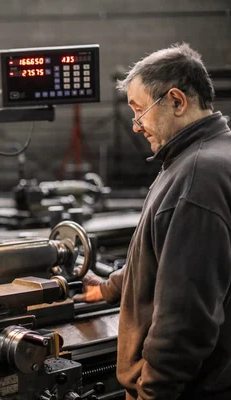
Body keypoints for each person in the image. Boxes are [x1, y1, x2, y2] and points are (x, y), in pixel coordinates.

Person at [73, 43, 231, 400]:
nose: (136, 125)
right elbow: (166, 261)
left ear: (176, 101)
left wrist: (152, 393)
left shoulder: (196, 178)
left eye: (140, 110)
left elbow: (186, 321)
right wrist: (111, 287)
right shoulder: (209, 155)